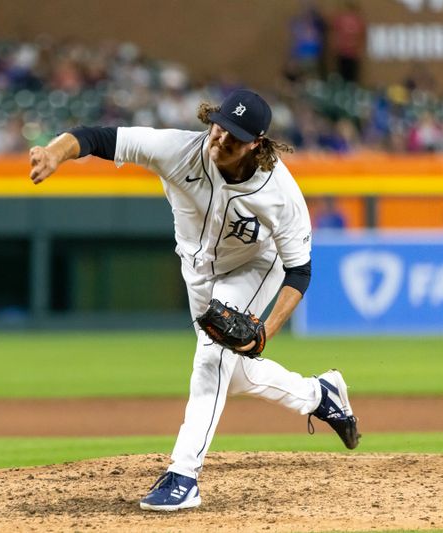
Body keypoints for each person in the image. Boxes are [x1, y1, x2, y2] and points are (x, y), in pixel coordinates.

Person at [28, 88, 360, 511]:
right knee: (232, 372)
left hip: (255, 269)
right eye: (219, 128)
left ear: (257, 144)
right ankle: (319, 395)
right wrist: (57, 153)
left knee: (211, 361)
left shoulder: (279, 191)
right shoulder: (179, 150)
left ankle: (183, 475)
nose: (220, 140)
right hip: (197, 271)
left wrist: (264, 332)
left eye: (235, 137)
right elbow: (97, 136)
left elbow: (300, 271)